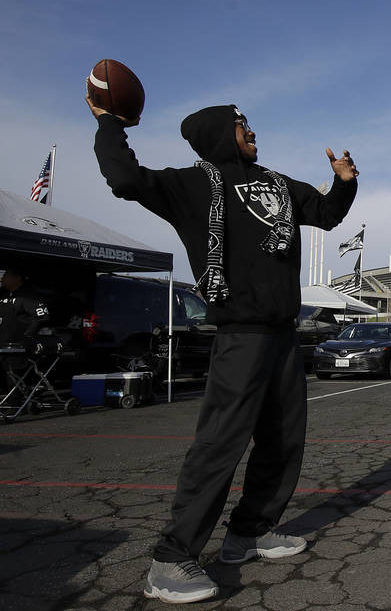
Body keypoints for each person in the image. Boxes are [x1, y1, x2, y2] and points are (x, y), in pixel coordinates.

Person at [87, 88, 359, 604]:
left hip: (283, 334)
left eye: (250, 124)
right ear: (217, 135)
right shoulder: (192, 185)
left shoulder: (279, 184)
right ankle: (171, 559)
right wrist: (108, 122)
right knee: (220, 446)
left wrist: (345, 185)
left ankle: (249, 532)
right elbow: (125, 178)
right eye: (241, 125)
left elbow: (325, 215)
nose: (251, 131)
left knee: (283, 442)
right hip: (240, 335)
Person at [0, 268, 50, 346]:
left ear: (17, 278)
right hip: (3, 343)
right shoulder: (3, 296)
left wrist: (25, 336)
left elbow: (41, 317)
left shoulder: (29, 296)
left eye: (5, 276)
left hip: (17, 347)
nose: (2, 278)